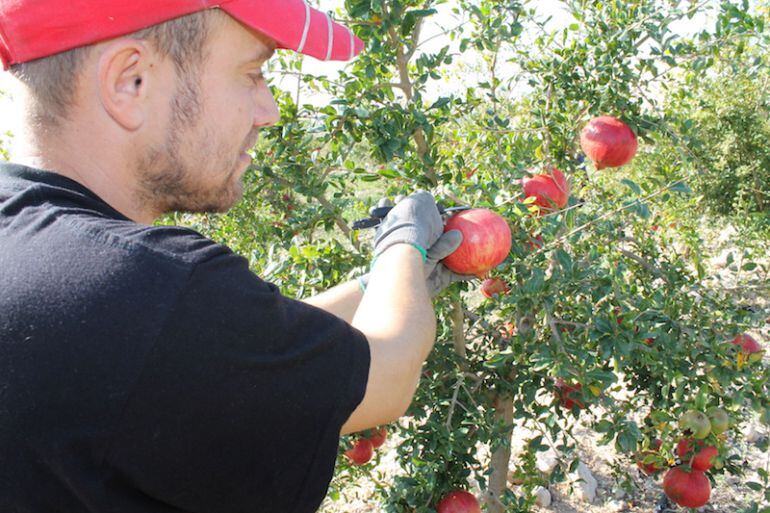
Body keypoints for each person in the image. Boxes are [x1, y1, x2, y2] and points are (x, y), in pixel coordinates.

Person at [0, 1, 469, 512]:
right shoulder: (151, 285)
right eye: (252, 73)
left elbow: (235, 351)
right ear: (130, 81)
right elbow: (390, 372)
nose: (268, 112)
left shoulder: (40, 251)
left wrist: (378, 282)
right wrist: (405, 241)